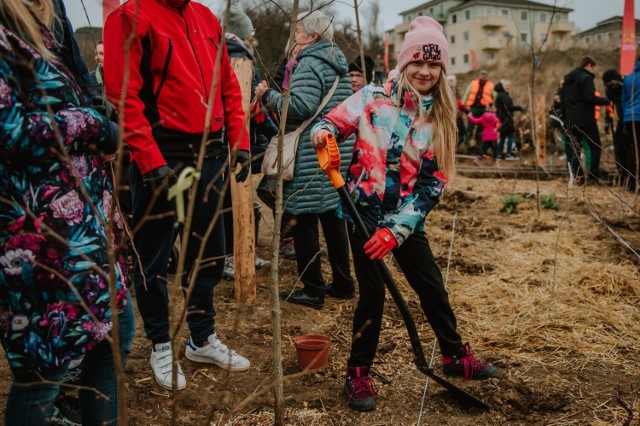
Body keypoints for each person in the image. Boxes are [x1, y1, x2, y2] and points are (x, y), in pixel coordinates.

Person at [310, 16, 497, 412]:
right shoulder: (371, 97)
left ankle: (452, 354)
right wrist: (323, 136)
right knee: (373, 294)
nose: (426, 71)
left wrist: (396, 231)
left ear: (442, 68)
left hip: (405, 222)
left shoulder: (443, 118)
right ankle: (358, 373)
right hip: (361, 215)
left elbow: (433, 185)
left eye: (434, 64)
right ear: (406, 62)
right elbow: (329, 123)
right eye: (419, 62)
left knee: (430, 285)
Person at [104, 0, 252, 392]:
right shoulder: (129, 17)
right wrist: (150, 161)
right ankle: (160, 345)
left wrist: (240, 140)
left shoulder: (205, 17)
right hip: (161, 157)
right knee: (153, 257)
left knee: (210, 255)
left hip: (211, 155)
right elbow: (124, 97)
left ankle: (201, 339)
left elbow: (228, 87)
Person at [0, 0, 131, 424]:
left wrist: (97, 109)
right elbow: (11, 129)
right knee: (47, 365)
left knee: (114, 337)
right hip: (37, 232)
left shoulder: (49, 17)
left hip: (83, 224)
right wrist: (92, 124)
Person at [255, 10, 355, 308]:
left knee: (302, 217)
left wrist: (267, 95)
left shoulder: (310, 62)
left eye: (298, 32)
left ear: (312, 36)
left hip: (311, 151)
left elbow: (299, 106)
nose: (294, 37)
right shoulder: (338, 62)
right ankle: (343, 283)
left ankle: (313, 290)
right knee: (332, 217)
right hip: (334, 147)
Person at [221, 5, 276, 280]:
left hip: (224, 138)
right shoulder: (239, 56)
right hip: (236, 138)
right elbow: (251, 105)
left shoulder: (217, 51)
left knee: (230, 201)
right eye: (250, 31)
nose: (253, 36)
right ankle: (235, 256)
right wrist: (272, 130)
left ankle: (239, 253)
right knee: (234, 201)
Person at [561, 56, 611, 183]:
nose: (593, 70)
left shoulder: (568, 79)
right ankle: (593, 177)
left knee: (575, 149)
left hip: (571, 119)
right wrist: (606, 101)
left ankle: (579, 176)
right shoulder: (586, 78)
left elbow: (563, 101)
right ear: (588, 65)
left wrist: (566, 119)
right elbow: (589, 98)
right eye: (592, 67)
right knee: (595, 147)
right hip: (586, 119)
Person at [603, 69, 632, 188]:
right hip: (621, 120)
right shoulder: (609, 90)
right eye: (610, 85)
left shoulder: (627, 84)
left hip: (632, 119)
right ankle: (623, 176)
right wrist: (607, 121)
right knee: (619, 150)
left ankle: (632, 179)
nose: (613, 87)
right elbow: (610, 106)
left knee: (631, 150)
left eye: (614, 84)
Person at [463, 69, 494, 148]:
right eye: (482, 74)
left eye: (485, 75)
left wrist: (492, 106)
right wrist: (463, 105)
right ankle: (466, 144)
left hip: (484, 109)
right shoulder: (473, 83)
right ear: (479, 75)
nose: (483, 76)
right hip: (473, 108)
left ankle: (478, 145)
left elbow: (495, 96)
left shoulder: (491, 85)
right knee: (470, 127)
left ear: (487, 76)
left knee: (481, 128)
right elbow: (467, 93)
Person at [622, 57, 640, 191]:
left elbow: (624, 100)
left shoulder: (628, 78)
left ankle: (631, 185)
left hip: (629, 118)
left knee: (632, 153)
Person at [494, 80, 524, 160]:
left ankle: (499, 154)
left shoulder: (500, 95)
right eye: (507, 85)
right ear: (503, 86)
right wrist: (520, 108)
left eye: (509, 85)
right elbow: (509, 107)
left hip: (501, 119)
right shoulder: (503, 96)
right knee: (511, 135)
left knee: (502, 137)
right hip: (506, 119)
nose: (508, 87)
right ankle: (509, 154)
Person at [446, 74, 468, 148]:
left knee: (461, 133)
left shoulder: (455, 90)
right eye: (451, 81)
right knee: (456, 133)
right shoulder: (447, 91)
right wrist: (466, 110)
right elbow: (457, 102)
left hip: (457, 115)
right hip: (453, 116)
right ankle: (452, 148)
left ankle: (454, 147)